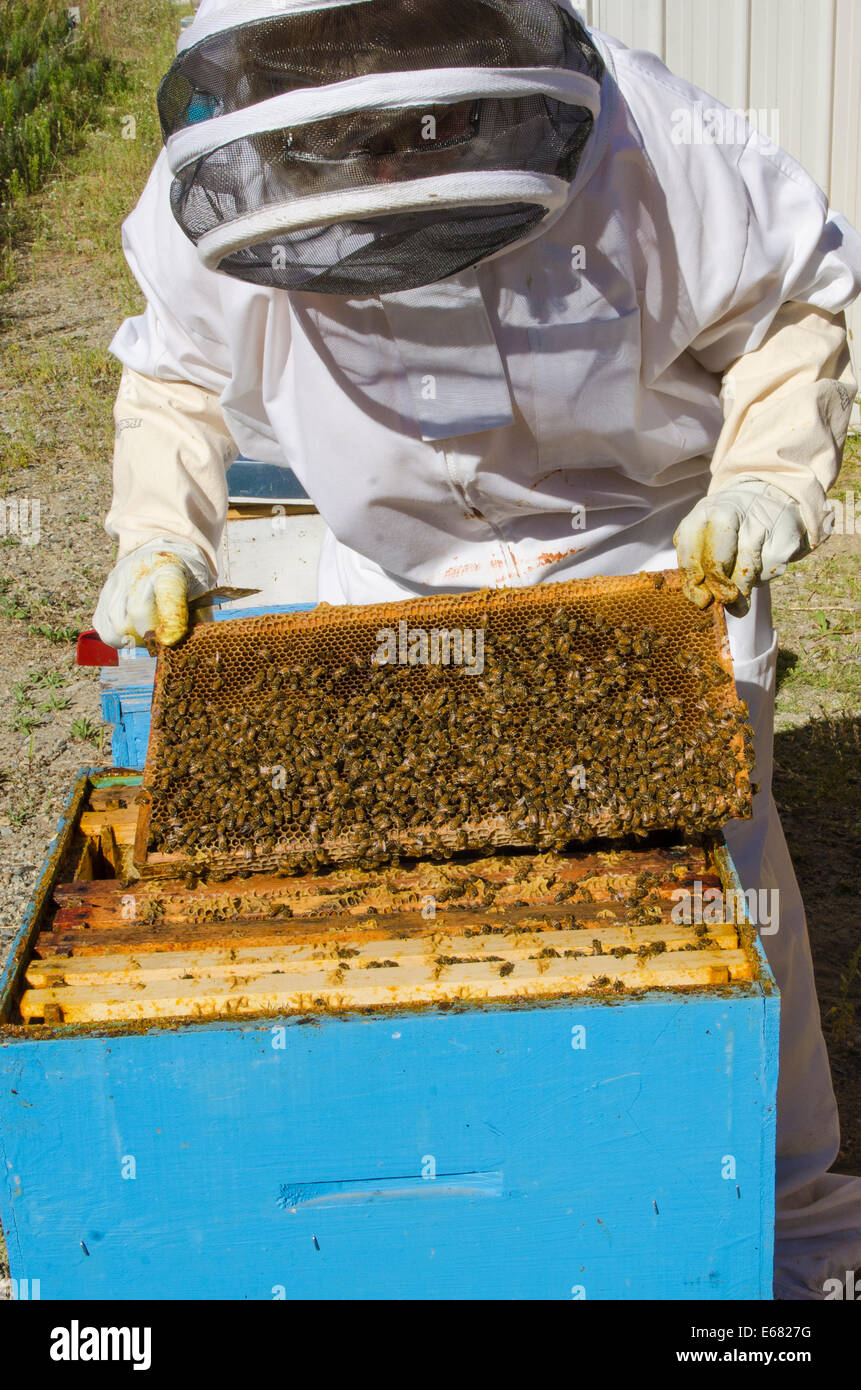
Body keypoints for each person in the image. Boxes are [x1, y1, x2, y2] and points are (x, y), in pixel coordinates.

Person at [93, 0, 861, 1298]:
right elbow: (173, 371)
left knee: (711, 894)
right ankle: (474, 1187)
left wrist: (765, 478)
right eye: (349, 140)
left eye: (416, 133)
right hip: (392, 577)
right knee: (414, 898)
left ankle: (789, 1227)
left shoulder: (655, 139)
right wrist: (159, 532)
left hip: (638, 555)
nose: (387, 167)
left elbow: (790, 308)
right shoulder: (215, 180)